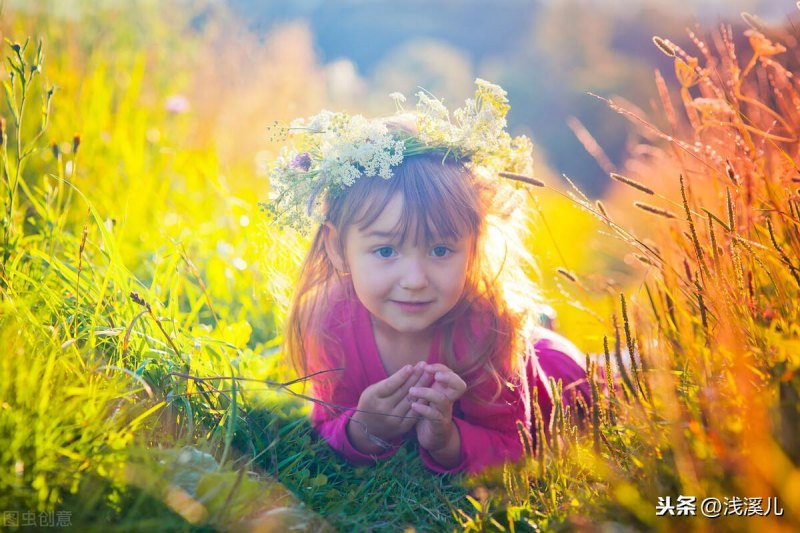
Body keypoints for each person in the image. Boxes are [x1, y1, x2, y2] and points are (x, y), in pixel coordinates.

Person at [264, 80, 590, 474]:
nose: (415, 279)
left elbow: (517, 445)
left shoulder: (489, 328)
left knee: (602, 382)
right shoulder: (332, 319)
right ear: (337, 248)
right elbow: (326, 427)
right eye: (386, 251)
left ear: (473, 246)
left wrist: (449, 440)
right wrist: (364, 428)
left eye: (440, 250)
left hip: (552, 374)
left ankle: (559, 342)